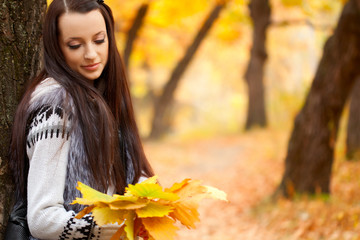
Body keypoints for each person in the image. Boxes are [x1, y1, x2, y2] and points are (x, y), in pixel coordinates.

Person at [8, 0, 154, 239]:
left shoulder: (102, 94)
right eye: (75, 45)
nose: (91, 54)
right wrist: (116, 224)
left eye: (99, 40)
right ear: (56, 48)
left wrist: (151, 199)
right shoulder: (55, 107)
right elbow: (42, 219)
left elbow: (131, 171)